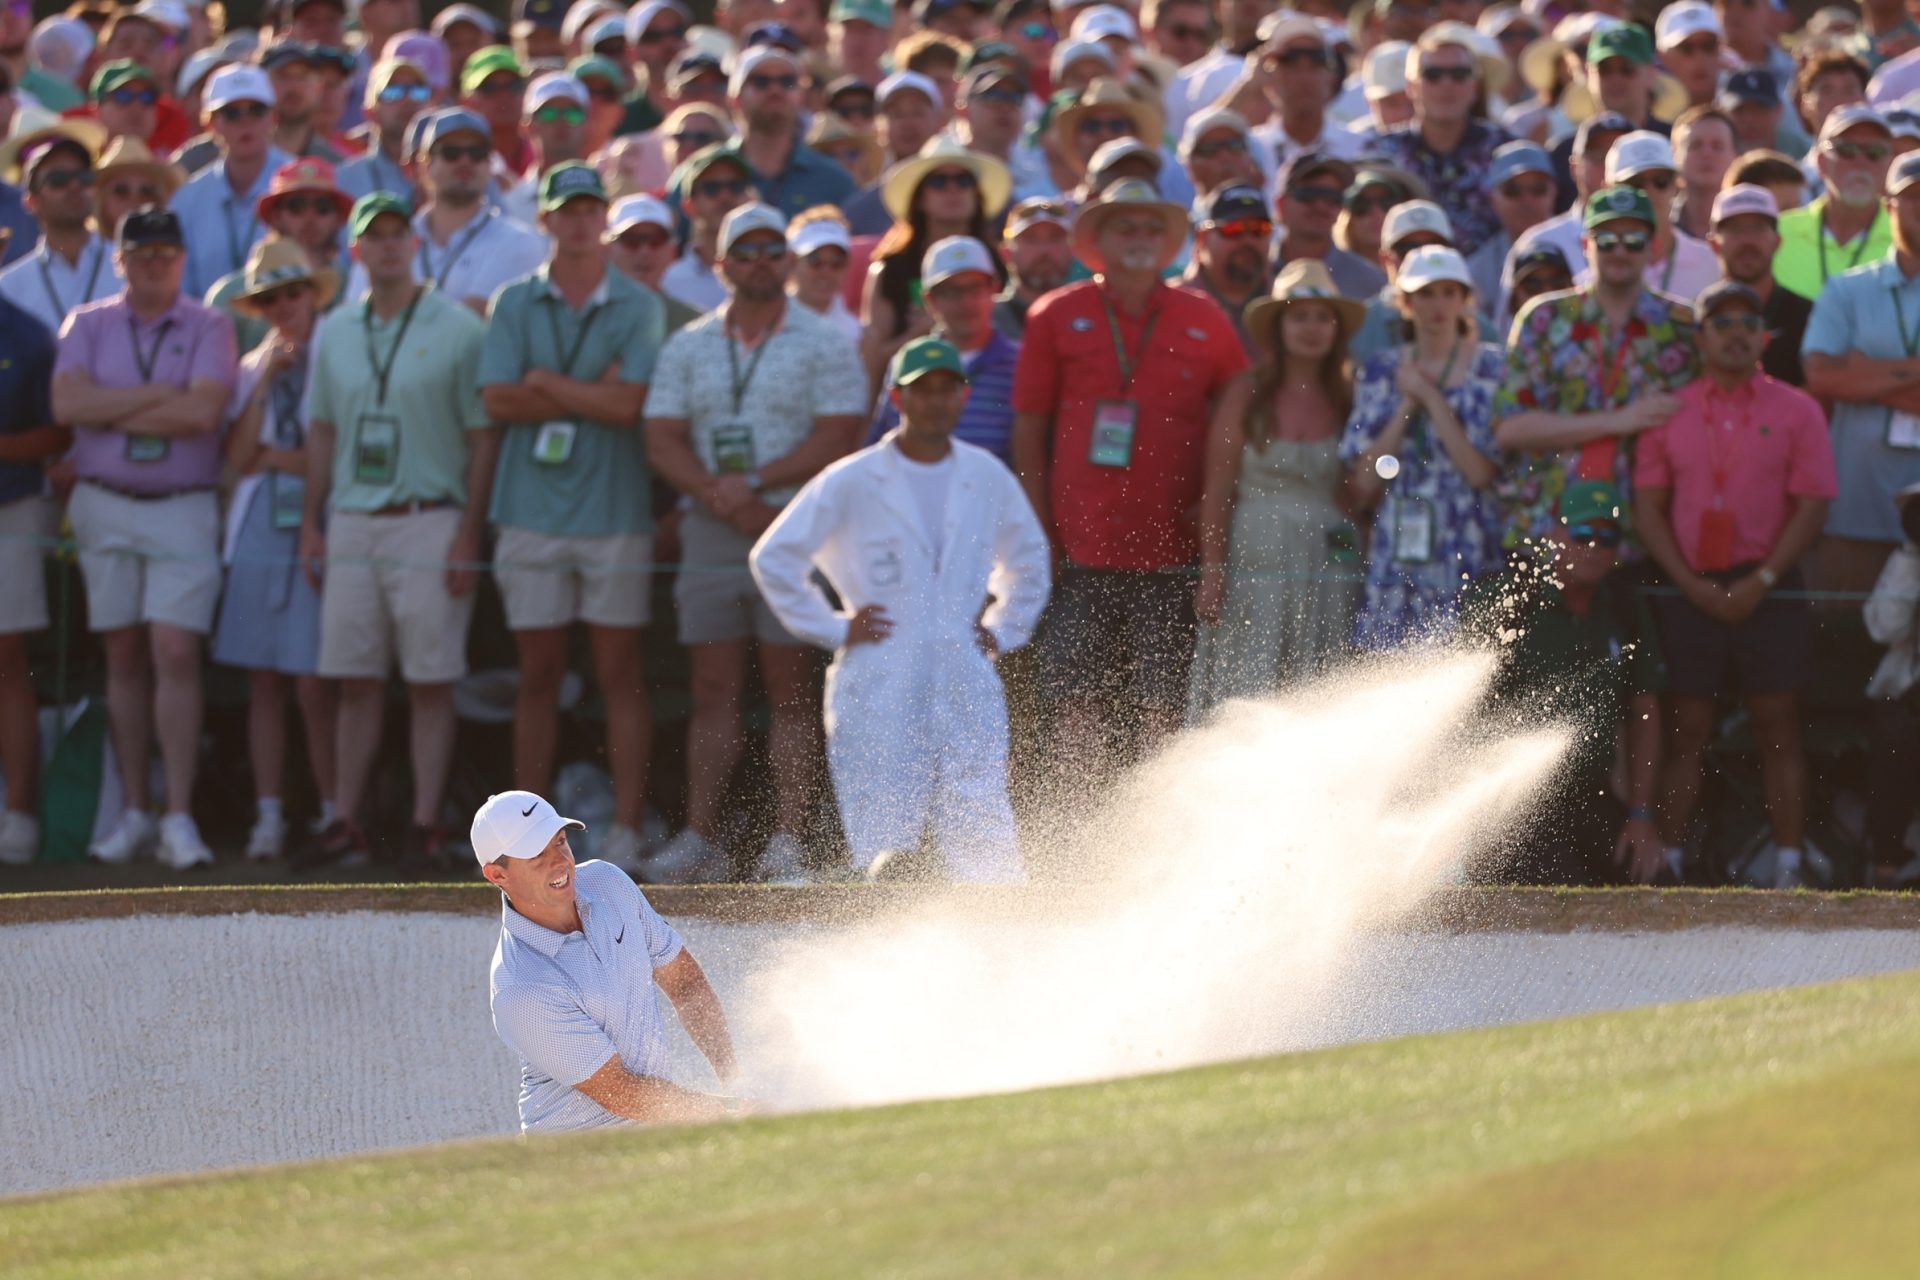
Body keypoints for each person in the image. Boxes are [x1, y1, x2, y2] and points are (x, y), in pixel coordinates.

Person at [751, 336, 1051, 882]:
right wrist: (834, 626)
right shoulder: (853, 479)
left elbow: (1028, 560)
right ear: (897, 397)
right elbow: (774, 557)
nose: (935, 401)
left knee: (982, 822)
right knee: (884, 834)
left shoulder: (985, 475)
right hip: (881, 671)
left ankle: (1003, 945)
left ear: (963, 396)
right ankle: (887, 950)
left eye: (947, 389)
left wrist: (1003, 629)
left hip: (963, 668)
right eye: (922, 390)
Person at [643, 203, 868, 884]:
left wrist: (752, 487)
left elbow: (841, 431)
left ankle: (790, 839)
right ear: (723, 264)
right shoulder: (690, 344)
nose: (761, 261)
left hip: (794, 529)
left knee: (791, 688)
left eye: (774, 249)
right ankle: (701, 837)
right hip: (716, 529)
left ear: (789, 260)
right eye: (747, 251)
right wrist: (721, 494)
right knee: (712, 688)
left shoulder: (825, 341)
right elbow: (661, 436)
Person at [1011, 179, 1248, 767]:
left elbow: (1236, 407)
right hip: (1078, 550)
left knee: (1162, 711)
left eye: (1151, 228)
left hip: (1169, 550)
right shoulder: (1056, 315)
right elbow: (1028, 430)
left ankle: (1151, 843)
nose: (1140, 239)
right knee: (1075, 709)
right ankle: (1077, 839)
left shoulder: (1203, 316)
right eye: (1126, 226)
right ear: (1097, 240)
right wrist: (1039, 533)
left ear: (1169, 242)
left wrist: (1212, 539)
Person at [298, 192, 498, 871]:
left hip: (429, 517)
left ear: (414, 245)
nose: (386, 246)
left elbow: (482, 437)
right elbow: (323, 430)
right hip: (353, 520)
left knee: (430, 681)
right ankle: (346, 819)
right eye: (373, 236)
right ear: (355, 249)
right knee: (352, 681)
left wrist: (470, 534)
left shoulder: (457, 327)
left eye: (397, 235)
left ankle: (426, 822)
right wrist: (311, 523)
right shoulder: (338, 329)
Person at [480, 163, 667, 878]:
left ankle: (622, 831)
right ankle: (522, 837)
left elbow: (632, 407)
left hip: (613, 514)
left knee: (619, 673)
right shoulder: (513, 302)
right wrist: (595, 390)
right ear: (548, 220)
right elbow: (498, 400)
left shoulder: (637, 304)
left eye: (592, 209)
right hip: (529, 513)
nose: (580, 221)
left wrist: (548, 385)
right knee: (539, 674)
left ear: (604, 218)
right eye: (568, 209)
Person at [52, 206, 236, 870]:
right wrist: (159, 393)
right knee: (123, 655)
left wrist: (116, 401)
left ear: (181, 260)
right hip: (106, 504)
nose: (155, 264)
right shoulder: (89, 322)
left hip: (182, 506)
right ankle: (134, 810)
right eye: (142, 254)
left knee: (175, 652)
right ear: (120, 259)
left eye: (166, 254)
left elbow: (201, 411)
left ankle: (177, 815)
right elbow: (68, 405)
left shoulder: (209, 323)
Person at [1635, 280, 1835, 890]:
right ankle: (1666, 860)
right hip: (1690, 585)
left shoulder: (1797, 408)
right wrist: (1688, 586)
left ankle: (1789, 863)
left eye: (1749, 322)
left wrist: (1766, 578)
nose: (1737, 332)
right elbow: (1648, 508)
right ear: (1700, 338)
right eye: (1722, 323)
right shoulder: (1671, 411)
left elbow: (1812, 505)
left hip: (1767, 584)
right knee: (1687, 724)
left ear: (1765, 337)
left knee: (1778, 721)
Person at [477, 790, 743, 1131]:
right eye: (537, 856)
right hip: (581, 1164)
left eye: (559, 842)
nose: (560, 861)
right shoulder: (521, 987)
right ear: (497, 875)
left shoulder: (608, 882)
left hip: (654, 1135)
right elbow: (623, 1093)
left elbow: (686, 985)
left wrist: (734, 1080)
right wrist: (733, 1111)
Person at [1457, 481, 1665, 885]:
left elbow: (1646, 709)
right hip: (1512, 801)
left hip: (1591, 795)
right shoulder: (1509, 597)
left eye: (1608, 537)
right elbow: (1459, 711)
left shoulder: (1623, 605)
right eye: (1583, 533)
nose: (1594, 547)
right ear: (1554, 535)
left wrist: (1641, 815)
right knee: (1559, 892)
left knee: (1656, 887)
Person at [209, 237, 340, 861]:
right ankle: (268, 815)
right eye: (272, 298)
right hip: (262, 520)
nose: (285, 306)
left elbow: (330, 452)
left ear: (311, 295)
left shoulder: (339, 352)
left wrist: (280, 459)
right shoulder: (252, 366)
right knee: (264, 679)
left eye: (294, 292)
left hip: (318, 518)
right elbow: (236, 458)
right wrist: (267, 384)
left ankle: (333, 810)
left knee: (314, 682)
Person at [1188, 258, 1359, 717]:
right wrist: (1212, 570)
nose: (1311, 328)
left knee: (1319, 683)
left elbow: (1359, 494)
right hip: (1255, 554)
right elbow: (1218, 489)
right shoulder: (1246, 393)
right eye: (1299, 315)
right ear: (1279, 324)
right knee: (1247, 678)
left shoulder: (1351, 397)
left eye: (1323, 317)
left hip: (1328, 558)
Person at [1494, 186, 1700, 552]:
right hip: (1547, 529)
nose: (1619, 251)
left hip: (1645, 536)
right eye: (1606, 239)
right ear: (1586, 246)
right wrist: (1617, 421)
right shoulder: (1542, 318)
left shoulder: (1682, 326)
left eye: (1633, 239)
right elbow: (1510, 429)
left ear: (1653, 247)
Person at [1342, 245, 1505, 649]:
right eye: (1426, 294)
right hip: (1398, 537)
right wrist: (1406, 408)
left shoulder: (1492, 367)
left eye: (1449, 292)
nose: (1438, 305)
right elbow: (1366, 478)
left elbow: (1480, 472)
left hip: (1465, 537)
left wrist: (1432, 400)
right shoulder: (1381, 369)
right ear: (1406, 302)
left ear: (1465, 300)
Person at [1801, 149, 1920, 599]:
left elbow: (1842, 375)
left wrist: (1865, 375)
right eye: (1914, 197)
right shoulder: (1846, 289)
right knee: (1845, 655)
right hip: (1855, 516)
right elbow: (1822, 377)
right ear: (1889, 206)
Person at [352, 106, 546, 315]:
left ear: (490, 164)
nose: (465, 161)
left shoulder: (520, 242)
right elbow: (356, 317)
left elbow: (473, 325)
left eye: (477, 153)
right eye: (450, 152)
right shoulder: (390, 239)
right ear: (422, 165)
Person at [0, 229, 63, 867]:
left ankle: (18, 814)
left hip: (8, 508)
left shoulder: (27, 334)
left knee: (7, 661)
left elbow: (54, 432)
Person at [859, 136, 1010, 389]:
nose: (952, 190)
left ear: (976, 195)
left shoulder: (999, 263)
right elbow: (873, 363)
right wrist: (928, 329)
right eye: (938, 182)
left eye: (963, 181)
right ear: (919, 198)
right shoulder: (890, 271)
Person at [1362, 24, 1512, 257]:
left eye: (1458, 75)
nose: (1446, 85)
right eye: (1432, 75)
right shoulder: (1381, 153)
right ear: (1411, 87)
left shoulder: (1505, 149)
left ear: (1474, 87)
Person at [867, 236, 1021, 461]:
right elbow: (880, 444)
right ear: (929, 299)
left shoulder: (1024, 363)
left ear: (994, 288)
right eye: (951, 291)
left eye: (975, 287)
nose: (966, 302)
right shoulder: (906, 363)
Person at [168, 63, 295, 298]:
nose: (245, 122)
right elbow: (180, 290)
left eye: (256, 111)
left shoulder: (299, 186)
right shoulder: (187, 200)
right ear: (210, 124)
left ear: (273, 118)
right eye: (231, 113)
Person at [204, 156, 351, 353]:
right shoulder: (228, 298)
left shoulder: (356, 290)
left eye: (322, 207)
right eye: (296, 206)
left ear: (338, 218)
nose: (310, 217)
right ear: (274, 217)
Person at [0, 125, 124, 334]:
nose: (74, 186)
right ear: (31, 202)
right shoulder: (8, 286)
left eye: (84, 178)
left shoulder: (130, 266)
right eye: (58, 180)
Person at [1775, 104, 1894, 301]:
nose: (1860, 162)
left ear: (1889, 164)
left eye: (1875, 152)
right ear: (1821, 162)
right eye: (1846, 150)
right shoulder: (1777, 235)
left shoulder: (1909, 241)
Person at [1862, 483, 1920, 885]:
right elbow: (1883, 628)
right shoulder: (1909, 560)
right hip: (1908, 696)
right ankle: (1887, 865)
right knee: (1895, 729)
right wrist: (1911, 555)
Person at [1588, 131, 1719, 303]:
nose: (1649, 192)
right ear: (1607, 190)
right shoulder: (1589, 269)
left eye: (1661, 181)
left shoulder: (1712, 265)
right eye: (1635, 183)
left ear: (1676, 185)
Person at [729, 45, 856, 216]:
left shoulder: (834, 180)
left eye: (787, 82)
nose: (775, 90)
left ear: (801, 98)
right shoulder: (704, 176)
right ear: (735, 100)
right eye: (761, 81)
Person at [1706, 184, 1810, 387]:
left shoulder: (1809, 316)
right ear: (1714, 244)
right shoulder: (1696, 319)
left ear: (1777, 241)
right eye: (1735, 230)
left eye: (1758, 228)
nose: (1748, 241)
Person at [1271, 150, 1383, 299]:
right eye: (1308, 194)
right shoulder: (1255, 270)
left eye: (1332, 197)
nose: (1321, 206)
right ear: (1281, 205)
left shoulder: (1371, 282)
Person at [1466, 140, 1553, 324]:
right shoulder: (1476, 271)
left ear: (1554, 193)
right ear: (1493, 199)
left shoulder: (1585, 248)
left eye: (1538, 189)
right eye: (1512, 191)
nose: (1526, 200)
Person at [662, 143, 753, 314]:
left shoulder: (772, 272)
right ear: (689, 206)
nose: (725, 196)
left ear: (749, 197)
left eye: (735, 186)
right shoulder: (669, 282)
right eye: (712, 188)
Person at [1181, 183, 1270, 356]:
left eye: (1259, 229)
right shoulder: (1170, 305)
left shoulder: (1287, 306)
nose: (1247, 240)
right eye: (1233, 229)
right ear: (1202, 237)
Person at [336, 57, 434, 204]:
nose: (407, 99)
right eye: (392, 92)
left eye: (417, 91)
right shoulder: (346, 178)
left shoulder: (448, 171)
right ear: (370, 113)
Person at [603, 192, 700, 330]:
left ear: (671, 251)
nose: (644, 251)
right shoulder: (583, 316)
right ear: (607, 249)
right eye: (632, 240)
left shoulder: (691, 324)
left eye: (656, 240)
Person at [991, 196, 1072, 338]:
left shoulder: (1093, 314)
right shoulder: (985, 320)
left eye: (1054, 239)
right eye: (1031, 239)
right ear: (1006, 253)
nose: (1044, 250)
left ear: (1073, 250)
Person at [785, 207, 861, 343]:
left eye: (837, 263)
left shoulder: (857, 335)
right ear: (792, 263)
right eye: (815, 262)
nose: (826, 273)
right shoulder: (765, 323)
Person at [1669, 104, 1736, 241]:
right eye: (1695, 146)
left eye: (1718, 146)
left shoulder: (1751, 230)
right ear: (1674, 159)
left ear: (1736, 158)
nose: (1706, 154)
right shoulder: (1659, 227)